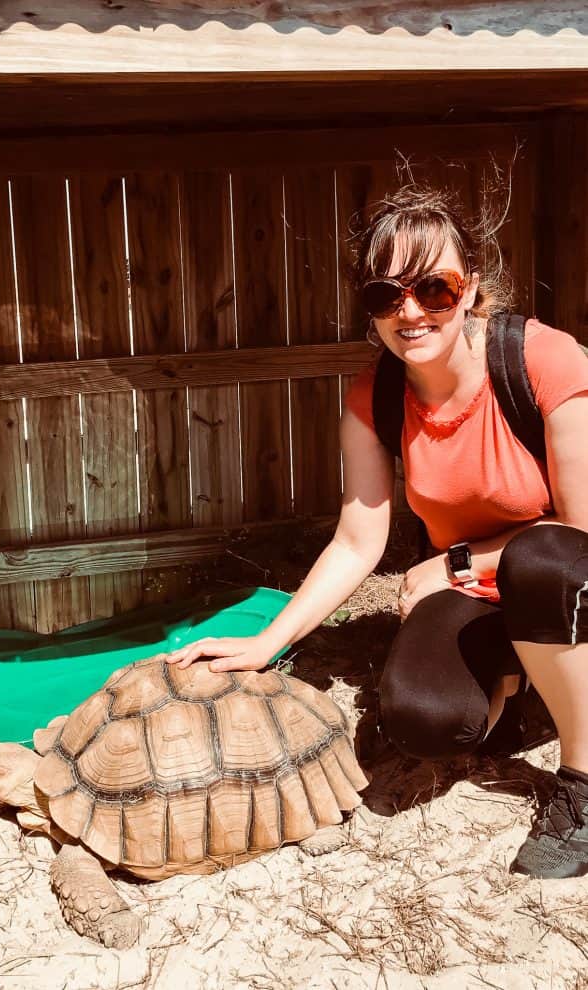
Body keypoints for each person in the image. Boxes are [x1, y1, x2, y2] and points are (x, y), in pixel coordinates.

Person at [168, 183, 588, 879]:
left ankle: (581, 785)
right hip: (477, 585)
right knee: (424, 723)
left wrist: (453, 560)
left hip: (565, 572)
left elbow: (579, 530)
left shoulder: (542, 360)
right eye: (385, 295)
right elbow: (358, 541)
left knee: (543, 560)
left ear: (472, 289)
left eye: (435, 288)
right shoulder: (377, 396)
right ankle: (521, 677)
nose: (411, 311)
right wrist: (267, 643)